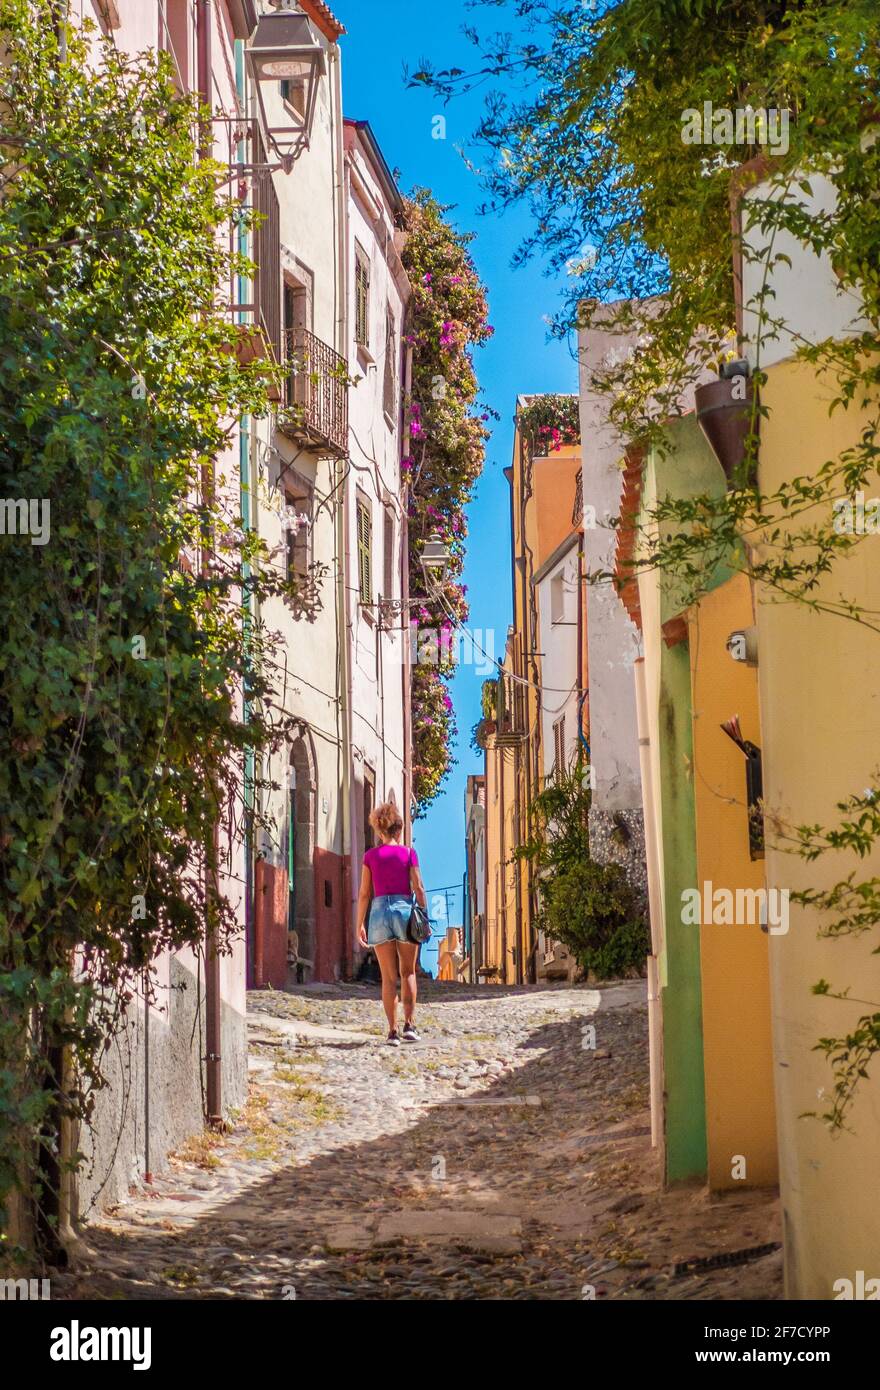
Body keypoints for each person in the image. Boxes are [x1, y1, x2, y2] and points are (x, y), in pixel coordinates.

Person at [356, 801, 427, 1046]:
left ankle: (392, 1031)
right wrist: (424, 913)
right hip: (404, 910)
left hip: (378, 913)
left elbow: (365, 893)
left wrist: (360, 923)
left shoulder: (370, 857)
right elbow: (418, 886)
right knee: (407, 972)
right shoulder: (409, 854)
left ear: (378, 830)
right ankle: (409, 1025)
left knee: (387, 978)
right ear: (399, 829)